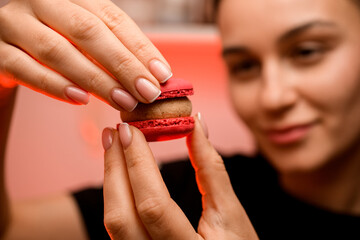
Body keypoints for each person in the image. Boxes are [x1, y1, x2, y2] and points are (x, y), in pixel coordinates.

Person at [1, 0, 360, 239]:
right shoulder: (190, 194)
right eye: (245, 65)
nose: (273, 97)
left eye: (307, 51)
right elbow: (11, 228)